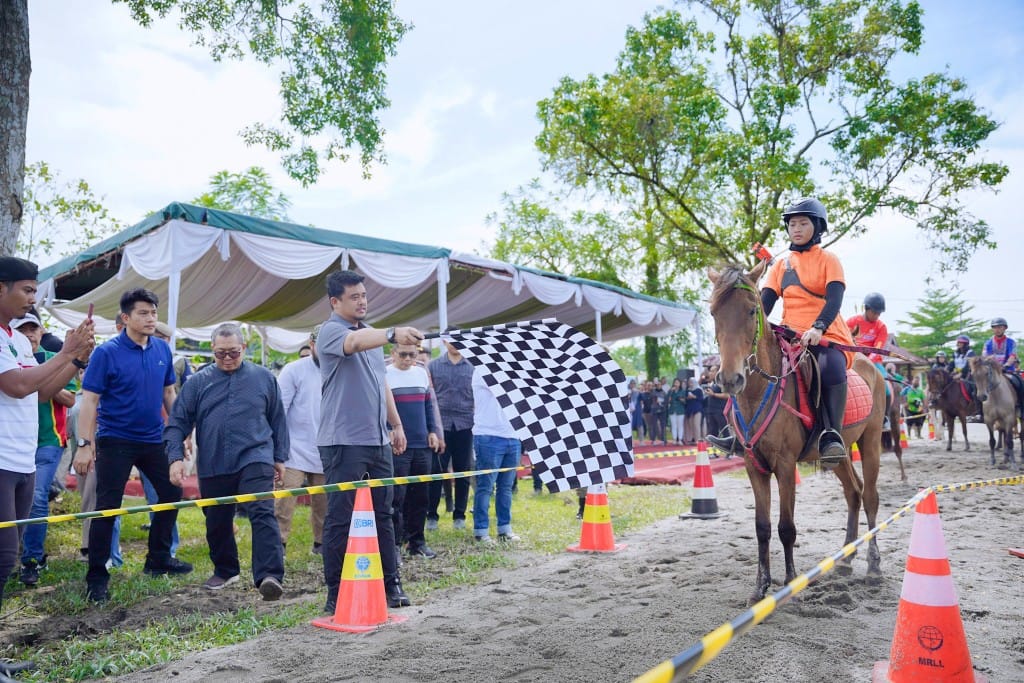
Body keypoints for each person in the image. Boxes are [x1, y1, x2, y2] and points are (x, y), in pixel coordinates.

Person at [709, 197, 854, 468]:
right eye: (792, 224)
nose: (796, 229)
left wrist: (818, 327)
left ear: (817, 227)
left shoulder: (829, 260)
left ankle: (831, 435)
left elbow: (834, 301)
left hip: (825, 335)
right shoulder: (780, 266)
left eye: (803, 223)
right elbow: (763, 305)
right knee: (748, 365)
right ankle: (736, 432)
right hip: (788, 335)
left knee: (830, 367)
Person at [0, 256, 94, 658]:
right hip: (1, 461)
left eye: (34, 290)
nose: (32, 298)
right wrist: (66, 351)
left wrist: (74, 359)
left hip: (23, 460)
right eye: (26, 289)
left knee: (9, 557)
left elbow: (40, 392)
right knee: (3, 558)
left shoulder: (19, 340)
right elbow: (18, 385)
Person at [73, 288, 193, 603]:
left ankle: (157, 559)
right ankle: (97, 576)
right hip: (115, 439)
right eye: (143, 313)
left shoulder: (162, 350)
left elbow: (169, 394)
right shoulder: (107, 352)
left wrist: (179, 432)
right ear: (126, 317)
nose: (151, 318)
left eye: (154, 312)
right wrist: (85, 443)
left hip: (154, 438)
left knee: (171, 493)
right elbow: (90, 401)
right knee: (108, 506)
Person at [317, 269, 422, 613]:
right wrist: (392, 333)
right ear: (335, 302)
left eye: (364, 295)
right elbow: (352, 344)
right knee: (339, 517)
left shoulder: (371, 336)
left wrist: (396, 425)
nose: (362, 302)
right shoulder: (331, 332)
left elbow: (381, 383)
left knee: (385, 514)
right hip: (343, 441)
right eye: (354, 297)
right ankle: (335, 591)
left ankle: (391, 584)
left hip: (378, 441)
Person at [165, 323, 288, 599]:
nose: (228, 359)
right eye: (221, 354)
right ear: (212, 350)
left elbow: (278, 419)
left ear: (244, 348)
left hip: (256, 455)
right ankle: (226, 569)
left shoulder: (264, 378)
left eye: (233, 352)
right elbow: (177, 423)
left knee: (262, 511)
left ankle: (270, 575)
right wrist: (175, 458)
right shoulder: (198, 382)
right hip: (213, 459)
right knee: (216, 518)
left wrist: (279, 457)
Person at [11, 314, 77, 586]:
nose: (29, 333)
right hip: (13, 442)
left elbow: (70, 398)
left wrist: (44, 382)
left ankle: (32, 560)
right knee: (15, 503)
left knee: (37, 498)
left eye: (33, 328)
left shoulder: (56, 356)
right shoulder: (7, 356)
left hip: (49, 440)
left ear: (41, 331)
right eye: (22, 328)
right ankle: (12, 556)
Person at [274, 327, 327, 555]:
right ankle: (278, 545)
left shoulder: (340, 369)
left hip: (326, 446)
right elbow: (279, 411)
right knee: (285, 499)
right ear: (312, 344)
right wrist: (277, 450)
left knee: (324, 502)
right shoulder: (293, 370)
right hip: (293, 447)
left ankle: (322, 544)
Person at [386, 343, 441, 557]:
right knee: (396, 497)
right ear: (392, 354)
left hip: (421, 443)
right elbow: (380, 408)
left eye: (412, 354)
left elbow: (429, 405)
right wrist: (389, 429)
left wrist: (433, 431)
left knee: (420, 497)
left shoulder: (421, 373)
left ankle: (417, 542)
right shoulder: (384, 375)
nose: (407, 359)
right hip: (399, 445)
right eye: (403, 354)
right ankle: (395, 545)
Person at [427, 335, 474, 530]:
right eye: (451, 340)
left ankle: (459, 514)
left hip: (465, 424)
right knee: (436, 472)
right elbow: (429, 397)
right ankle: (432, 515)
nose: (455, 344)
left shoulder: (472, 366)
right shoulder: (433, 365)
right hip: (442, 425)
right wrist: (432, 428)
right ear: (444, 342)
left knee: (463, 471)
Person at [471, 364, 521, 544]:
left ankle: (504, 529)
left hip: (513, 435)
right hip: (488, 435)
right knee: (485, 486)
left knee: (506, 487)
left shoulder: (513, 370)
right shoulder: (482, 369)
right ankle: (481, 530)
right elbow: (503, 387)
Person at [846, 293, 888, 364]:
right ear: (866, 308)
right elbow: (844, 341)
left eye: (879, 313)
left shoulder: (882, 327)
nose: (877, 316)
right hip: (852, 356)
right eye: (874, 312)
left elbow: (877, 348)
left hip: (873, 361)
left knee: (883, 375)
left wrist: (867, 361)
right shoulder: (851, 322)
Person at [683, 377, 704, 445]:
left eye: (692, 382)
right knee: (691, 425)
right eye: (689, 382)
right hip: (690, 409)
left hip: (697, 409)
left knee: (696, 424)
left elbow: (701, 399)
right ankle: (692, 438)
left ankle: (698, 439)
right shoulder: (687, 390)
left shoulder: (699, 390)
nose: (690, 384)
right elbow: (686, 400)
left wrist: (694, 397)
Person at [665, 378, 686, 445]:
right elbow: (667, 399)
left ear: (680, 384)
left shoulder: (682, 391)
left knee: (680, 425)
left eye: (677, 383)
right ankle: (674, 439)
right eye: (675, 383)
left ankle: (680, 439)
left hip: (680, 410)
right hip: (672, 410)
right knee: (674, 425)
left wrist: (680, 399)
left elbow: (685, 401)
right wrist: (670, 392)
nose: (676, 384)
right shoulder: (671, 391)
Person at [651, 379, 668, 445]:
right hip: (655, 410)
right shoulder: (653, 392)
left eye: (660, 384)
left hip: (662, 411)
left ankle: (663, 440)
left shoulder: (664, 393)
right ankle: (654, 440)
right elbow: (651, 399)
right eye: (657, 385)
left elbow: (666, 402)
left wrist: (661, 402)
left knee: (663, 425)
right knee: (654, 425)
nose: (659, 386)